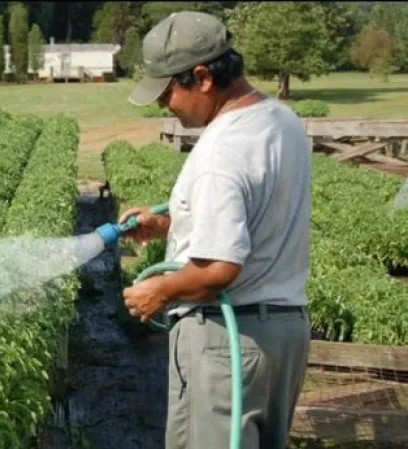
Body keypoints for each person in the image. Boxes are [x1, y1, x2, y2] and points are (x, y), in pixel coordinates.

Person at [119, 10, 312, 449]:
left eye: (167, 91)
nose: (164, 104)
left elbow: (219, 271)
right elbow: (257, 213)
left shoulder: (219, 152)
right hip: (284, 336)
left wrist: (161, 290)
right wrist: (169, 223)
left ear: (203, 77)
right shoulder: (282, 121)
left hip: (228, 341)